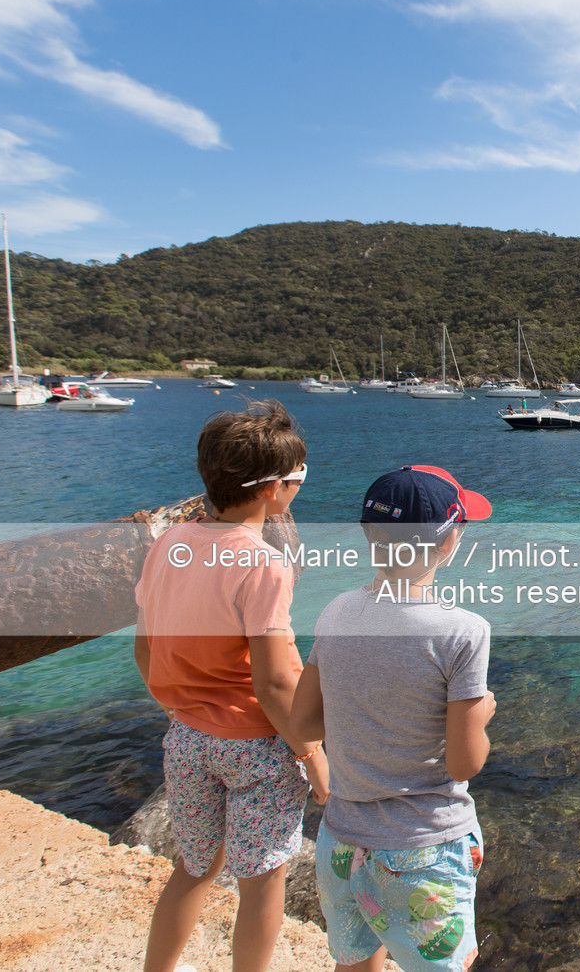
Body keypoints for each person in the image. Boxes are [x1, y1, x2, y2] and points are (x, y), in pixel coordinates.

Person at [133, 400, 328, 972]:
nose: (298, 487)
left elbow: (145, 649)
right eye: (298, 478)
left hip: (188, 738)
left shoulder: (169, 544)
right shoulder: (263, 564)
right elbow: (272, 682)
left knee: (194, 868)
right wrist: (312, 754)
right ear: (271, 489)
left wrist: (183, 709)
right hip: (256, 747)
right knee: (262, 886)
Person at [290, 466, 497, 972]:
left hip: (340, 842)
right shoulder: (463, 631)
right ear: (449, 543)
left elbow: (302, 726)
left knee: (356, 963)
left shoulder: (336, 612)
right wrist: (483, 713)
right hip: (421, 849)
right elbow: (465, 762)